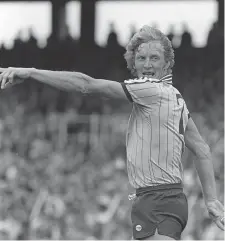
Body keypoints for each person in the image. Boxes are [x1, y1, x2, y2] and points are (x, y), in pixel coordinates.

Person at [0, 25, 224, 240]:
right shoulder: (176, 98)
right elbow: (202, 150)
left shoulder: (151, 90)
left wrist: (31, 72)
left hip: (159, 200)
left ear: (167, 65)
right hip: (155, 200)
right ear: (133, 64)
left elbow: (86, 85)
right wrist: (211, 200)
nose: (147, 64)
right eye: (141, 58)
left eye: (154, 58)